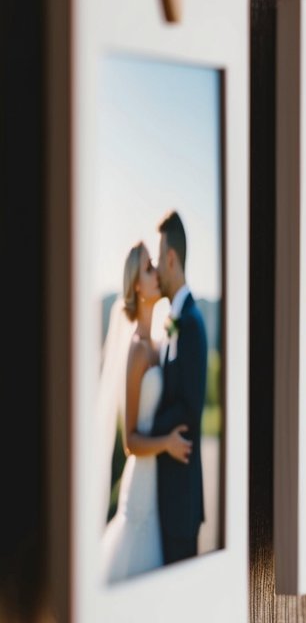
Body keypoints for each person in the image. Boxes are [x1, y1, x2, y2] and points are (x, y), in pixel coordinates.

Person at [100, 242, 192, 583]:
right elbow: (131, 443)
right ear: (137, 285)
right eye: (149, 269)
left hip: (163, 485)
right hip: (141, 486)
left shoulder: (159, 343)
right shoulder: (137, 351)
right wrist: (167, 442)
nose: (157, 273)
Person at [150, 211, 208, 565]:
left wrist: (145, 430)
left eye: (158, 259)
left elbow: (188, 409)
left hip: (180, 504)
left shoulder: (191, 322)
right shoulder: (175, 319)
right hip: (169, 497)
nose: (155, 269)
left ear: (171, 258)